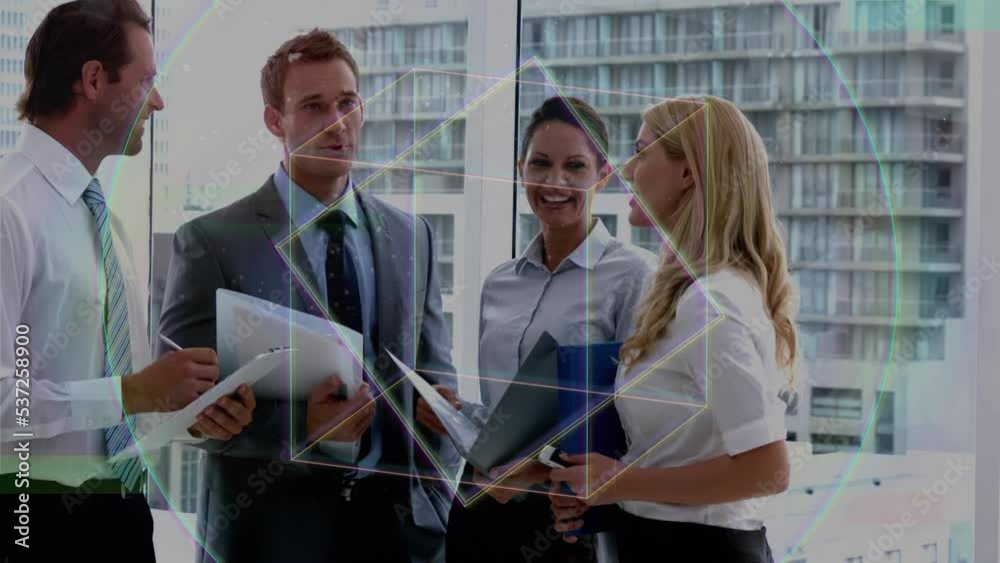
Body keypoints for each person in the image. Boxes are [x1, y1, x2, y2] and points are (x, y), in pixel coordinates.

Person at [157, 29, 457, 563]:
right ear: (275, 121)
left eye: (347, 103)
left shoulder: (413, 237)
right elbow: (185, 408)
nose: (337, 123)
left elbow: (434, 373)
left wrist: (442, 418)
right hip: (267, 535)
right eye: (313, 106)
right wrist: (307, 431)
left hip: (398, 538)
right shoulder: (213, 242)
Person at [0, 2, 251, 562]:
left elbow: (125, 394)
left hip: (121, 517)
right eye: (147, 82)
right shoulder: (8, 211)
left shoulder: (106, 222)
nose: (157, 101)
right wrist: (131, 392)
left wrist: (191, 413)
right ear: (93, 80)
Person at [548, 95, 798, 563]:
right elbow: (677, 454)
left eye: (643, 152)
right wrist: (601, 489)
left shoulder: (711, 303)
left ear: (688, 174)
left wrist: (618, 483)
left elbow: (768, 469)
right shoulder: (694, 293)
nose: (626, 168)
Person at [417, 96, 657, 563]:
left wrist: (531, 473)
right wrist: (459, 413)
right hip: (485, 503)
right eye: (540, 164)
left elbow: (635, 421)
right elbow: (505, 410)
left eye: (575, 167)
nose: (555, 182)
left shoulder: (634, 276)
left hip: (568, 517)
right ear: (519, 169)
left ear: (603, 173)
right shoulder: (499, 282)